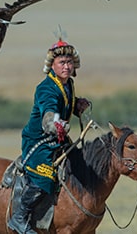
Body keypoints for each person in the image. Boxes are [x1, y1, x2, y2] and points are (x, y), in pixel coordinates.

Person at [7, 38, 91, 234]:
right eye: (62, 63)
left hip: (58, 140)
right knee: (44, 175)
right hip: (40, 141)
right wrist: (57, 123)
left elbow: (63, 103)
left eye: (69, 62)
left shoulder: (68, 84)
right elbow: (49, 114)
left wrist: (77, 105)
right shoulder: (46, 87)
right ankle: (19, 218)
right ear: (52, 65)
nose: (67, 66)